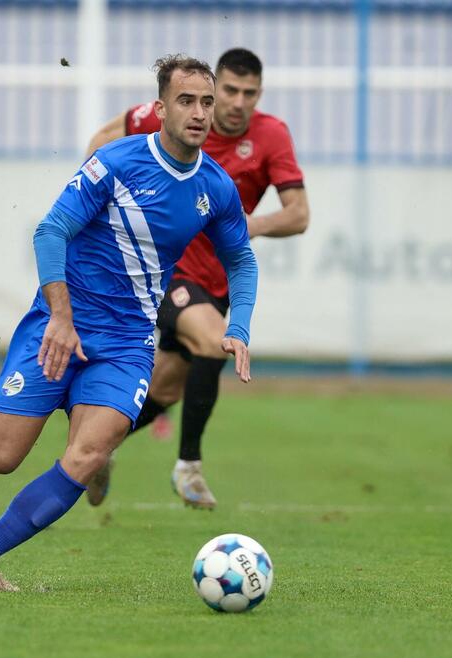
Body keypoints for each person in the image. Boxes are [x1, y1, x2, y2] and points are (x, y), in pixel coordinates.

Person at [0, 54, 258, 591]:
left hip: (127, 345)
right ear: (159, 109)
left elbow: (242, 261)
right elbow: (49, 232)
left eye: (207, 102)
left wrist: (240, 327)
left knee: (89, 453)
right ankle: (48, 403)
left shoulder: (217, 188)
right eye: (187, 101)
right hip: (60, 328)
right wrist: (60, 318)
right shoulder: (114, 163)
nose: (200, 113)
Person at [84, 48, 309, 509]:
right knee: (213, 341)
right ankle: (188, 466)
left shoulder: (271, 136)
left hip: (216, 283)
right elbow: (104, 138)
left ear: (259, 95)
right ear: (213, 87)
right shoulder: (173, 115)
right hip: (165, 270)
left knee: (166, 388)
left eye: (249, 94)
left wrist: (251, 224)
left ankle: (95, 450)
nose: (236, 102)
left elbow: (299, 215)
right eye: (228, 90)